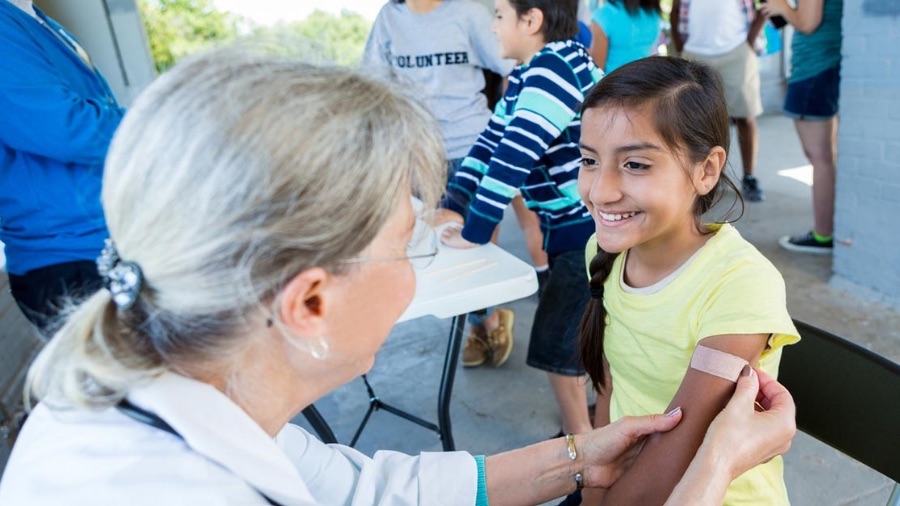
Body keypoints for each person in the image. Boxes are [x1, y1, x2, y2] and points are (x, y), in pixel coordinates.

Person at [0, 48, 797, 506]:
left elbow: (364, 489)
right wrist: (718, 464)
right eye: (409, 245)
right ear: (311, 301)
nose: (421, 270)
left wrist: (580, 457)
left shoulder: (183, 399)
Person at [576, 56, 800, 505]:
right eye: (589, 160)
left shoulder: (739, 284)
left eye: (636, 164)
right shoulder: (604, 253)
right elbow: (610, 392)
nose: (601, 190)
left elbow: (684, 448)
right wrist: (593, 488)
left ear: (707, 170)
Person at [439, 0, 601, 438]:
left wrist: (475, 231)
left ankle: (583, 445)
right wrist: (453, 201)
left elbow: (514, 157)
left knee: (557, 341)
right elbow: (491, 141)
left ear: (531, 20)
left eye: (498, 15)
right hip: (572, 228)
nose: (492, 27)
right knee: (588, 335)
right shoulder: (533, 70)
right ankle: (600, 427)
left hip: (588, 231)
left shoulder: (553, 68)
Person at [362, 0, 545, 351]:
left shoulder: (466, 11)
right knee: (433, 251)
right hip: (418, 157)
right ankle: (482, 324)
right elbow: (372, 83)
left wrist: (509, 122)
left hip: (470, 148)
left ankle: (484, 324)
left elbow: (513, 63)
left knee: (472, 251)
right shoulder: (389, 17)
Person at [0, 0, 125, 334]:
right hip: (68, 264)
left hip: (100, 248)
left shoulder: (39, 20)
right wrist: (166, 120)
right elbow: (63, 128)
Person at [762, 0, 843, 255]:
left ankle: (823, 235)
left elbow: (808, 24)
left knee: (820, 158)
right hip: (824, 67)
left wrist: (783, 7)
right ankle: (830, 229)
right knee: (826, 157)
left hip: (813, 70)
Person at [670, 0, 768, 202]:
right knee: (694, 120)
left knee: (745, 116)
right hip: (695, 53)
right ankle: (700, 177)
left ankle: (749, 176)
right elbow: (676, 10)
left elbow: (767, 5)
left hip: (736, 51)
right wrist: (681, 47)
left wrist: (750, 40)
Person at [588, 0, 661, 73]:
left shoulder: (604, 15)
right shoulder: (652, 14)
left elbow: (597, 70)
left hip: (614, 82)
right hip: (644, 80)